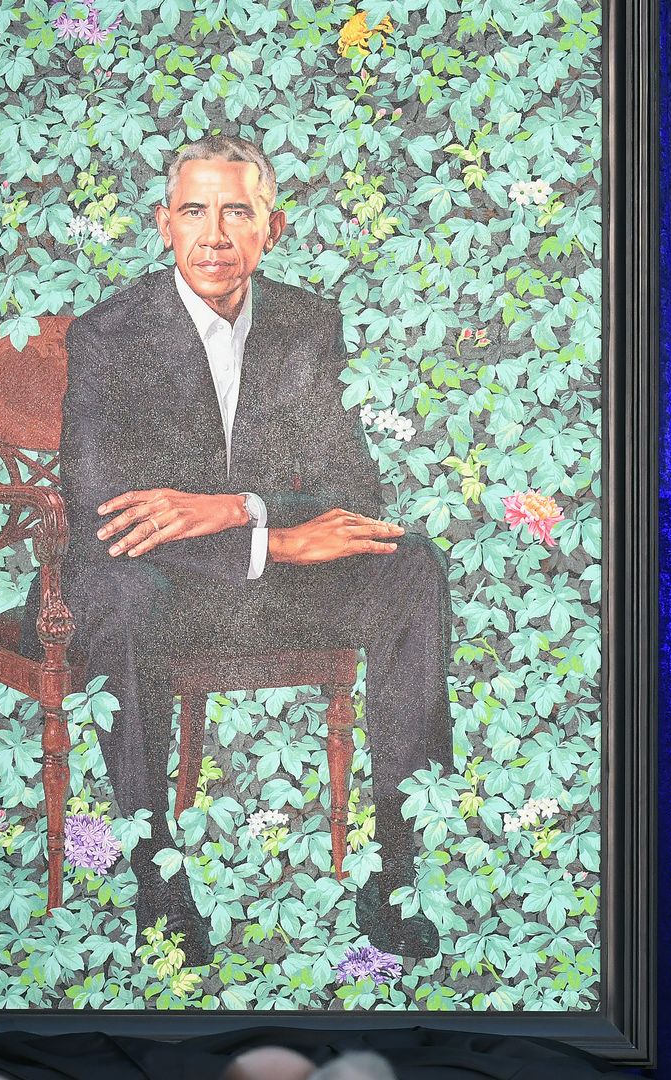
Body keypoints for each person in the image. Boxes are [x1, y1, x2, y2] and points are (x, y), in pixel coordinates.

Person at [60, 134, 452, 965]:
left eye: (238, 211)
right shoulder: (109, 335)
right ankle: (158, 882)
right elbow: (109, 515)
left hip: (262, 568)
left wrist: (237, 508)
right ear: (163, 224)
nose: (214, 234)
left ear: (272, 231)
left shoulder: (310, 323)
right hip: (151, 581)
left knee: (409, 562)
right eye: (194, 211)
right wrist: (271, 540)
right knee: (122, 596)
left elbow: (355, 487)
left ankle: (395, 869)